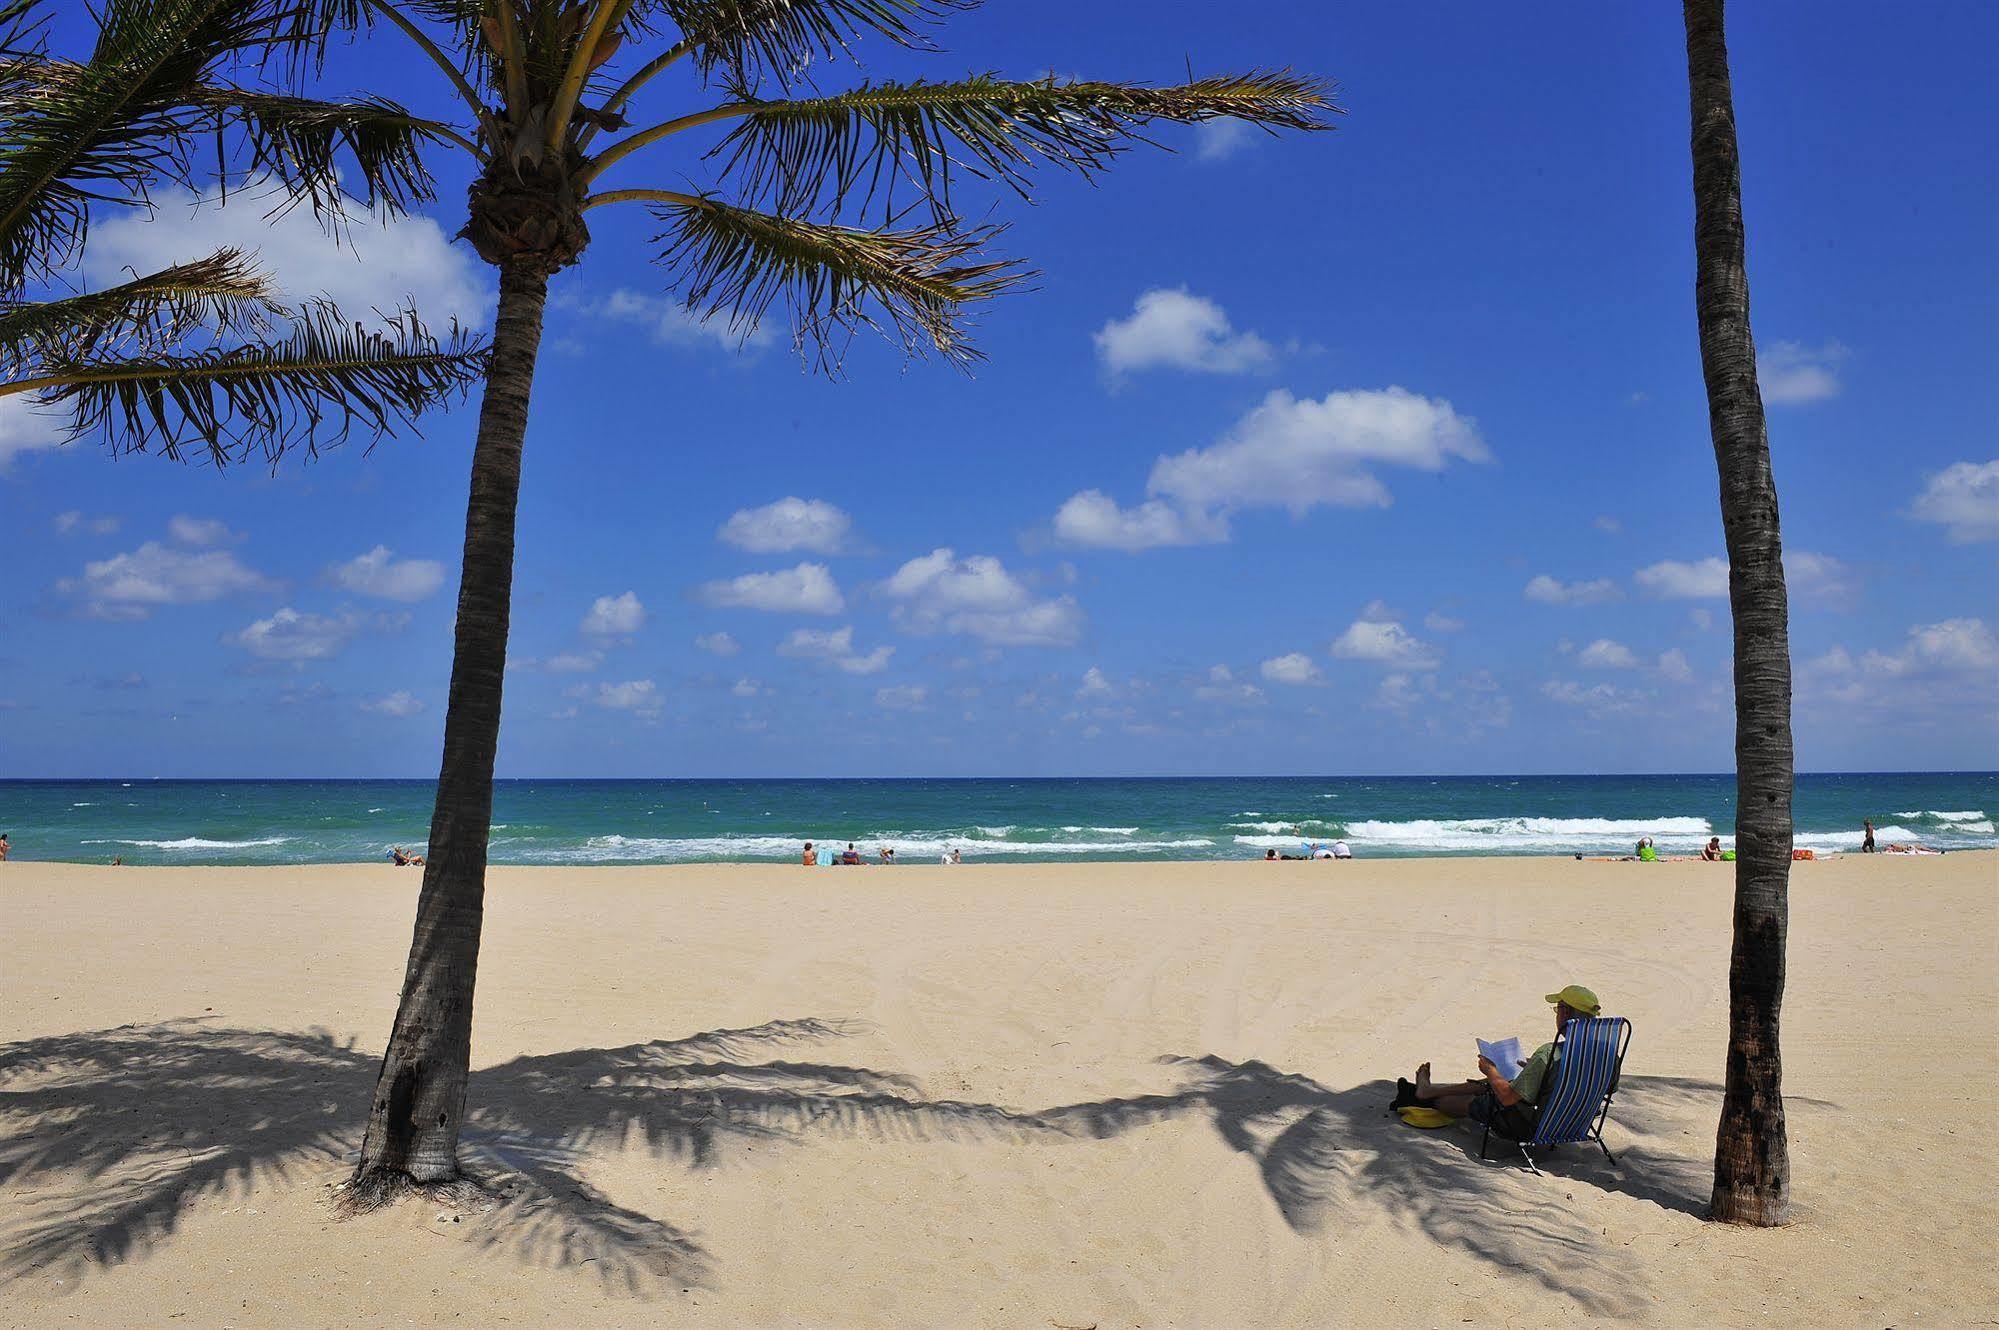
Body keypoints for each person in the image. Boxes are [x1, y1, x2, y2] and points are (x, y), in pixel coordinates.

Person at [1394, 985, 1602, 1135]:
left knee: (1446, 1102)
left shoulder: (1548, 1053)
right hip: (1573, 1122)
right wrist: (1541, 1072)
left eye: (1558, 1009)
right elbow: (1603, 1090)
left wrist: (1490, 1070)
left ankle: (1429, 1094)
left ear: (1565, 1012)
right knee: (1502, 1080)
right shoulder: (1606, 1054)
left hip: (1528, 1124)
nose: (1557, 1014)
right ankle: (1428, 1090)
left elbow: (1507, 1099)